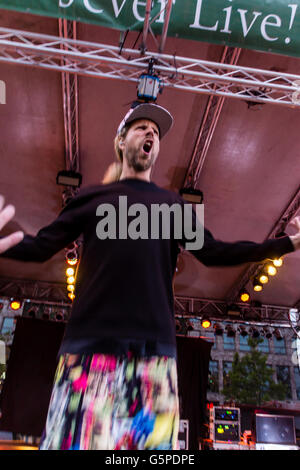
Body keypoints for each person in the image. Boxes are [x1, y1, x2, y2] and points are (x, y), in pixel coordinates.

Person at [0, 102, 299, 450]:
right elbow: (40, 247)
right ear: (121, 141)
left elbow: (218, 252)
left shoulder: (173, 207)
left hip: (153, 360)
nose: (151, 134)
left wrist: (288, 243)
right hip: (88, 354)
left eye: (156, 133)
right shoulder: (92, 199)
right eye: (142, 128)